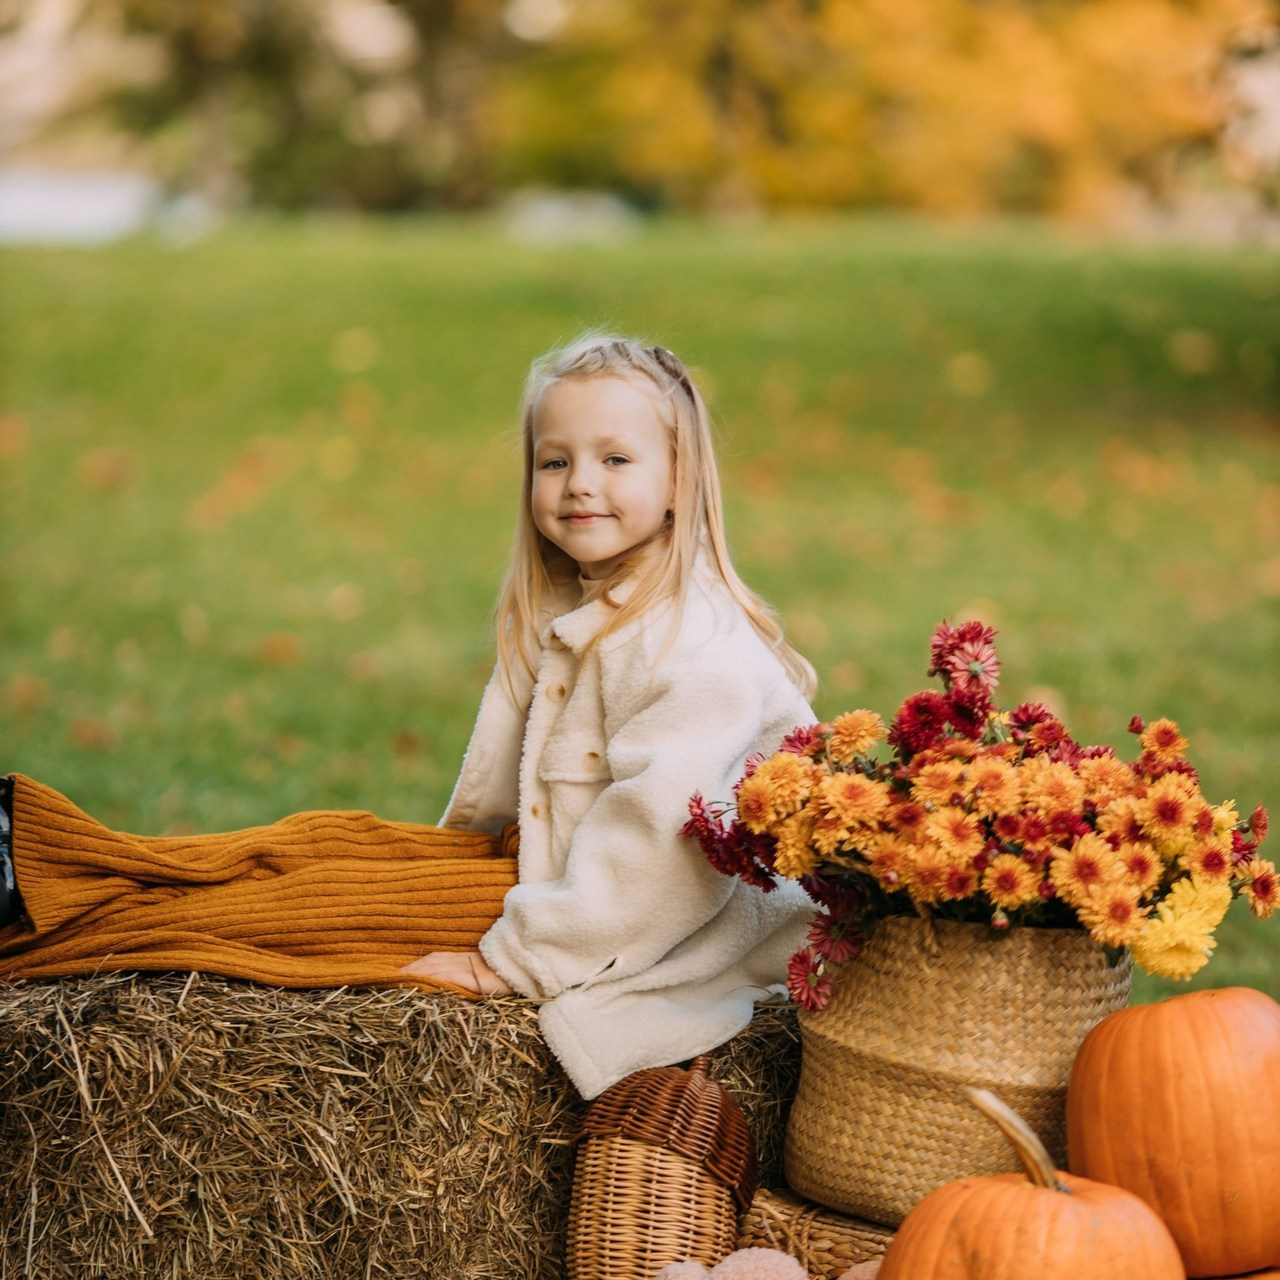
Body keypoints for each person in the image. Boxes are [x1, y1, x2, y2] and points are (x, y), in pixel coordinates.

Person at [0, 335, 818, 1099]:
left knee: (303, 913)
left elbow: (659, 856)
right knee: (311, 845)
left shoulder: (694, 645)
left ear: (680, 479)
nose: (579, 483)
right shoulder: (593, 606)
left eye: (614, 459)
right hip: (533, 867)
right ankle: (44, 851)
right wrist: (428, 860)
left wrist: (509, 966)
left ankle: (44, 929)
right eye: (555, 460)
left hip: (596, 918)